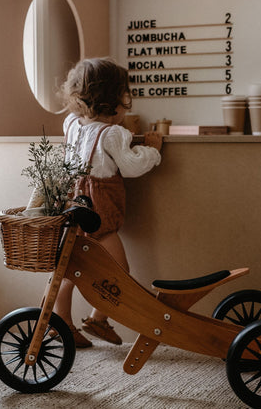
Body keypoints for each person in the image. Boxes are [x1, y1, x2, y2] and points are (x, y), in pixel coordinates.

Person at [53, 57, 162, 348]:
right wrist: (151, 149)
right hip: (99, 212)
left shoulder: (72, 124)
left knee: (71, 267)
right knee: (118, 271)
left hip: (75, 205)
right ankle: (98, 319)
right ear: (115, 100)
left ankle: (61, 320)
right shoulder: (112, 134)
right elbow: (131, 166)